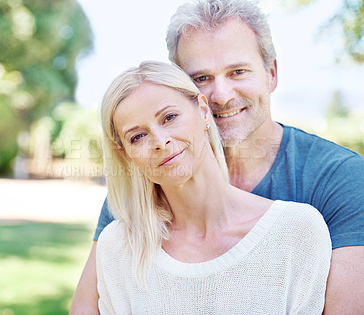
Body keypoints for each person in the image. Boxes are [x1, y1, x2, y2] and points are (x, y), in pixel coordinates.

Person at [70, 0, 364, 314]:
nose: (221, 96)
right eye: (201, 78)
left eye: (238, 71)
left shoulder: (341, 179)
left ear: (271, 73)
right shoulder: (147, 188)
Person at [97, 60, 331, 313]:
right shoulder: (117, 247)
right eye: (137, 137)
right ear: (126, 153)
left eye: (169, 117)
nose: (160, 141)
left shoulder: (297, 230)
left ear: (203, 111)